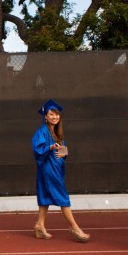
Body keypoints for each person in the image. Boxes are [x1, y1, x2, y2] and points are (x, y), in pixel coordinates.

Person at [31, 99, 89, 242]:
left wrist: (64, 152)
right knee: (63, 198)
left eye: (57, 114)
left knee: (45, 198)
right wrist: (50, 148)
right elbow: (37, 150)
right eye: (51, 114)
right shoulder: (42, 132)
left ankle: (39, 226)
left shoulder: (56, 131)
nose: (55, 117)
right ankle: (75, 227)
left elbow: (62, 149)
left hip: (55, 168)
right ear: (45, 116)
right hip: (48, 170)